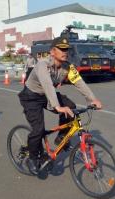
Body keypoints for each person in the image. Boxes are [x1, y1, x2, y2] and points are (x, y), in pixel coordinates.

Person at [18, 37, 102, 174]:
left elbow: (79, 82)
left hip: (46, 95)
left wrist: (92, 99)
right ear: (52, 51)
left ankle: (61, 136)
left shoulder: (68, 67)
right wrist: (57, 106)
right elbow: (47, 84)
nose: (65, 52)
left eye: (66, 49)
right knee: (38, 130)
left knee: (71, 108)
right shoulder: (42, 64)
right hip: (31, 96)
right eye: (61, 49)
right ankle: (32, 158)